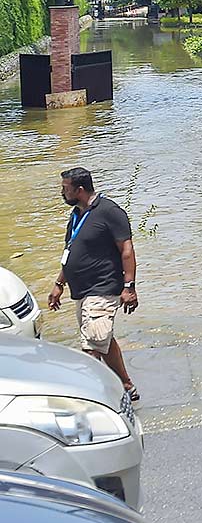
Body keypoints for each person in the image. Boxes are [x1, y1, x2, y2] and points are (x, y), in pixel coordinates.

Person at [47, 168, 140, 401]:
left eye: (65, 188)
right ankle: (127, 386)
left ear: (79, 190)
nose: (62, 192)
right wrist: (59, 283)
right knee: (102, 340)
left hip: (103, 288)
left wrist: (129, 286)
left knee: (91, 345)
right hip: (83, 291)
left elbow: (126, 250)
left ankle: (90, 396)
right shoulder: (76, 215)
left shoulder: (109, 211)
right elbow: (70, 253)